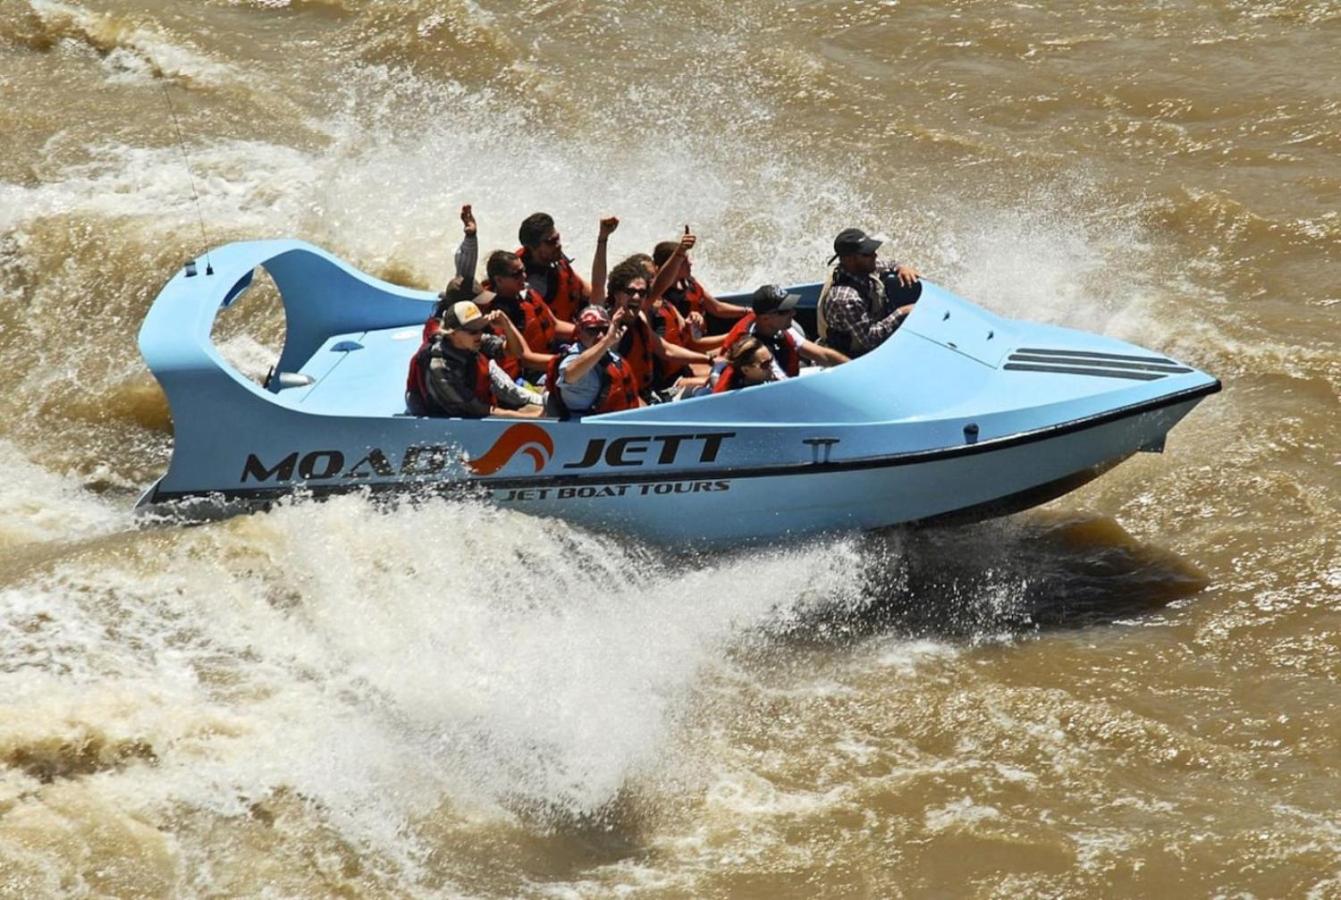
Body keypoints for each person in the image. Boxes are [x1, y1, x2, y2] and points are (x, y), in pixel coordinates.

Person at [604, 237, 713, 399]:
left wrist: (708, 359)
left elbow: (667, 350)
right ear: (616, 293)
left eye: (641, 293)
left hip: (650, 393)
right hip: (630, 398)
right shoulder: (604, 325)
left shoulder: (640, 317)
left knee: (722, 378)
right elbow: (598, 284)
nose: (636, 297)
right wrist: (603, 239)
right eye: (630, 292)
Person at [408, 300, 542, 418]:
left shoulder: (472, 341)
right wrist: (528, 417)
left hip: (479, 406)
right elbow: (475, 409)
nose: (479, 335)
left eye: (480, 328)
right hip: (450, 419)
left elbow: (516, 352)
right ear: (452, 333)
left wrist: (506, 324)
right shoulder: (439, 367)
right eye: (472, 331)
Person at [816, 227, 921, 358]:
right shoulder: (845, 298)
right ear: (850, 260)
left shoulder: (861, 268)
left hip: (870, 332)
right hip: (852, 355)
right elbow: (869, 340)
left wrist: (901, 268)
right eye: (868, 253)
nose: (875, 255)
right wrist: (902, 312)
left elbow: (889, 263)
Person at [721, 284, 848, 379]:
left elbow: (823, 355)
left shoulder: (780, 329)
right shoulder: (753, 348)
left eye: (791, 307)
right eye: (784, 311)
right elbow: (781, 382)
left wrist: (853, 367)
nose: (793, 313)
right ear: (765, 319)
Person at [484, 249, 576, 378]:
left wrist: (584, 332)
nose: (524, 276)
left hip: (551, 353)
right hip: (532, 373)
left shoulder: (526, 293)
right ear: (499, 280)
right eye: (517, 274)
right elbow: (526, 359)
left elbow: (555, 325)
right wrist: (566, 363)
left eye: (523, 270)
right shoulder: (498, 315)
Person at [550, 305, 641, 416]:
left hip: (624, 421)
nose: (600, 336)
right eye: (593, 330)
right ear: (579, 331)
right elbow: (569, 374)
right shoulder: (574, 358)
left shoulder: (612, 356)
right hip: (587, 424)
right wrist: (607, 341)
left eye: (605, 330)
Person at [652, 238, 748, 328]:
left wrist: (748, 311)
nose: (690, 263)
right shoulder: (658, 296)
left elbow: (717, 308)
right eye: (684, 261)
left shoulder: (689, 282)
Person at [517, 212, 589, 323]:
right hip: (562, 330)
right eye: (551, 241)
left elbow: (582, 287)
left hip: (579, 316)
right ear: (533, 248)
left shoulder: (552, 256)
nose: (558, 244)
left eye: (557, 238)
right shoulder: (530, 284)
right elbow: (550, 325)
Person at [712, 335, 777, 393]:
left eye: (771, 360)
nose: (771, 366)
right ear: (745, 370)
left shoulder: (773, 382)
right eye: (765, 364)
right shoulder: (736, 397)